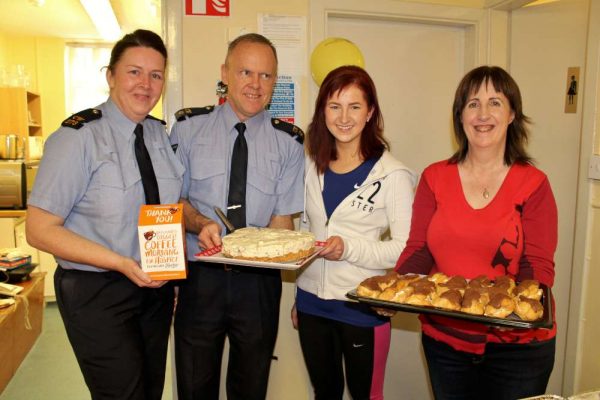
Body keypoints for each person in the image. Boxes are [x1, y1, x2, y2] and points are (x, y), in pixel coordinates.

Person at [25, 29, 183, 400]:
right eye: (133, 72)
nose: (145, 84)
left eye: (156, 75)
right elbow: (40, 229)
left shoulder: (159, 136)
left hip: (153, 288)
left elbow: (164, 209)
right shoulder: (77, 138)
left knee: (149, 390)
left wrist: (169, 275)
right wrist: (120, 263)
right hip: (97, 290)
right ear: (110, 76)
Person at [394, 65, 558, 400]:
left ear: (512, 114)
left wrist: (508, 313)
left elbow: (537, 267)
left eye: (495, 102)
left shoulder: (533, 184)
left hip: (517, 349)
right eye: (472, 104)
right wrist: (395, 289)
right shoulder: (434, 177)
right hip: (446, 342)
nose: (483, 114)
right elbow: (420, 249)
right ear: (460, 116)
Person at [170, 33, 305, 400]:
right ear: (225, 73)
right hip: (201, 276)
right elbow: (172, 204)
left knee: (251, 386)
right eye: (246, 71)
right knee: (194, 384)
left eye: (265, 76)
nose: (255, 84)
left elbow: (281, 222)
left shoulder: (290, 143)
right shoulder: (187, 128)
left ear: (274, 82)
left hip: (258, 284)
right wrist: (199, 225)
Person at [293, 65, 416, 400]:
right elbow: (307, 230)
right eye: (334, 106)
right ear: (323, 112)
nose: (344, 117)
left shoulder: (393, 175)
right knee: (325, 393)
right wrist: (300, 291)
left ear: (370, 112)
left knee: (366, 396)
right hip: (311, 304)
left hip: (362, 305)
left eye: (355, 106)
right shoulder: (311, 165)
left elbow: (404, 248)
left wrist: (349, 248)